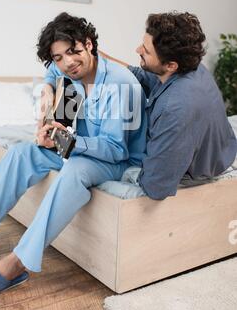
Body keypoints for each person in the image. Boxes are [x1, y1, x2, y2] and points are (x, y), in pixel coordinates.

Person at [0, 12, 147, 300]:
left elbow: (115, 149)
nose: (67, 62)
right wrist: (50, 121)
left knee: (74, 171)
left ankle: (17, 262)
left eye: (73, 51)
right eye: (59, 57)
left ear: (89, 45)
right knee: (22, 152)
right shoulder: (69, 75)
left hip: (117, 161)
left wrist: (68, 142)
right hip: (80, 147)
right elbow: (53, 76)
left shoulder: (119, 84)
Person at [100, 12, 237, 200]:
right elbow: (143, 77)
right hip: (223, 147)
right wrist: (99, 59)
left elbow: (156, 187)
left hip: (202, 171)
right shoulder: (190, 65)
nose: (137, 49)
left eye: (146, 51)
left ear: (171, 65)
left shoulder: (174, 108)